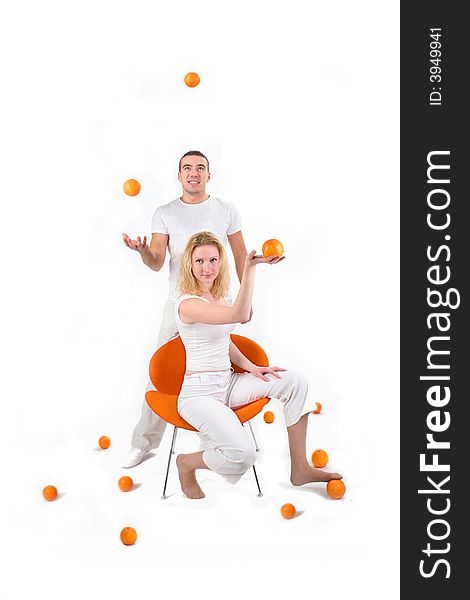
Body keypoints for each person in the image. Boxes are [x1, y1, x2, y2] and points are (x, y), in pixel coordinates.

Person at [174, 231, 343, 499]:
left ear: (221, 262)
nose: (207, 268)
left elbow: (224, 340)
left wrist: (252, 367)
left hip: (227, 384)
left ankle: (300, 468)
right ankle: (187, 462)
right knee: (245, 453)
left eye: (213, 260)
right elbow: (241, 315)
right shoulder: (187, 304)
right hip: (198, 394)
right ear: (189, 265)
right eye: (200, 261)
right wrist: (250, 268)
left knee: (294, 381)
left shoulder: (218, 298)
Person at [121, 151, 249, 468]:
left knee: (221, 368)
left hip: (217, 304)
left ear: (209, 175)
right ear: (179, 176)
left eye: (201, 168)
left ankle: (219, 440)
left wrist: (247, 300)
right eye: (187, 168)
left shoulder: (226, 210)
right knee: (160, 373)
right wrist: (142, 252)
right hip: (180, 307)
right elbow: (156, 262)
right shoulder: (165, 213)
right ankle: (143, 443)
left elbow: (240, 255)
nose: (194, 172)